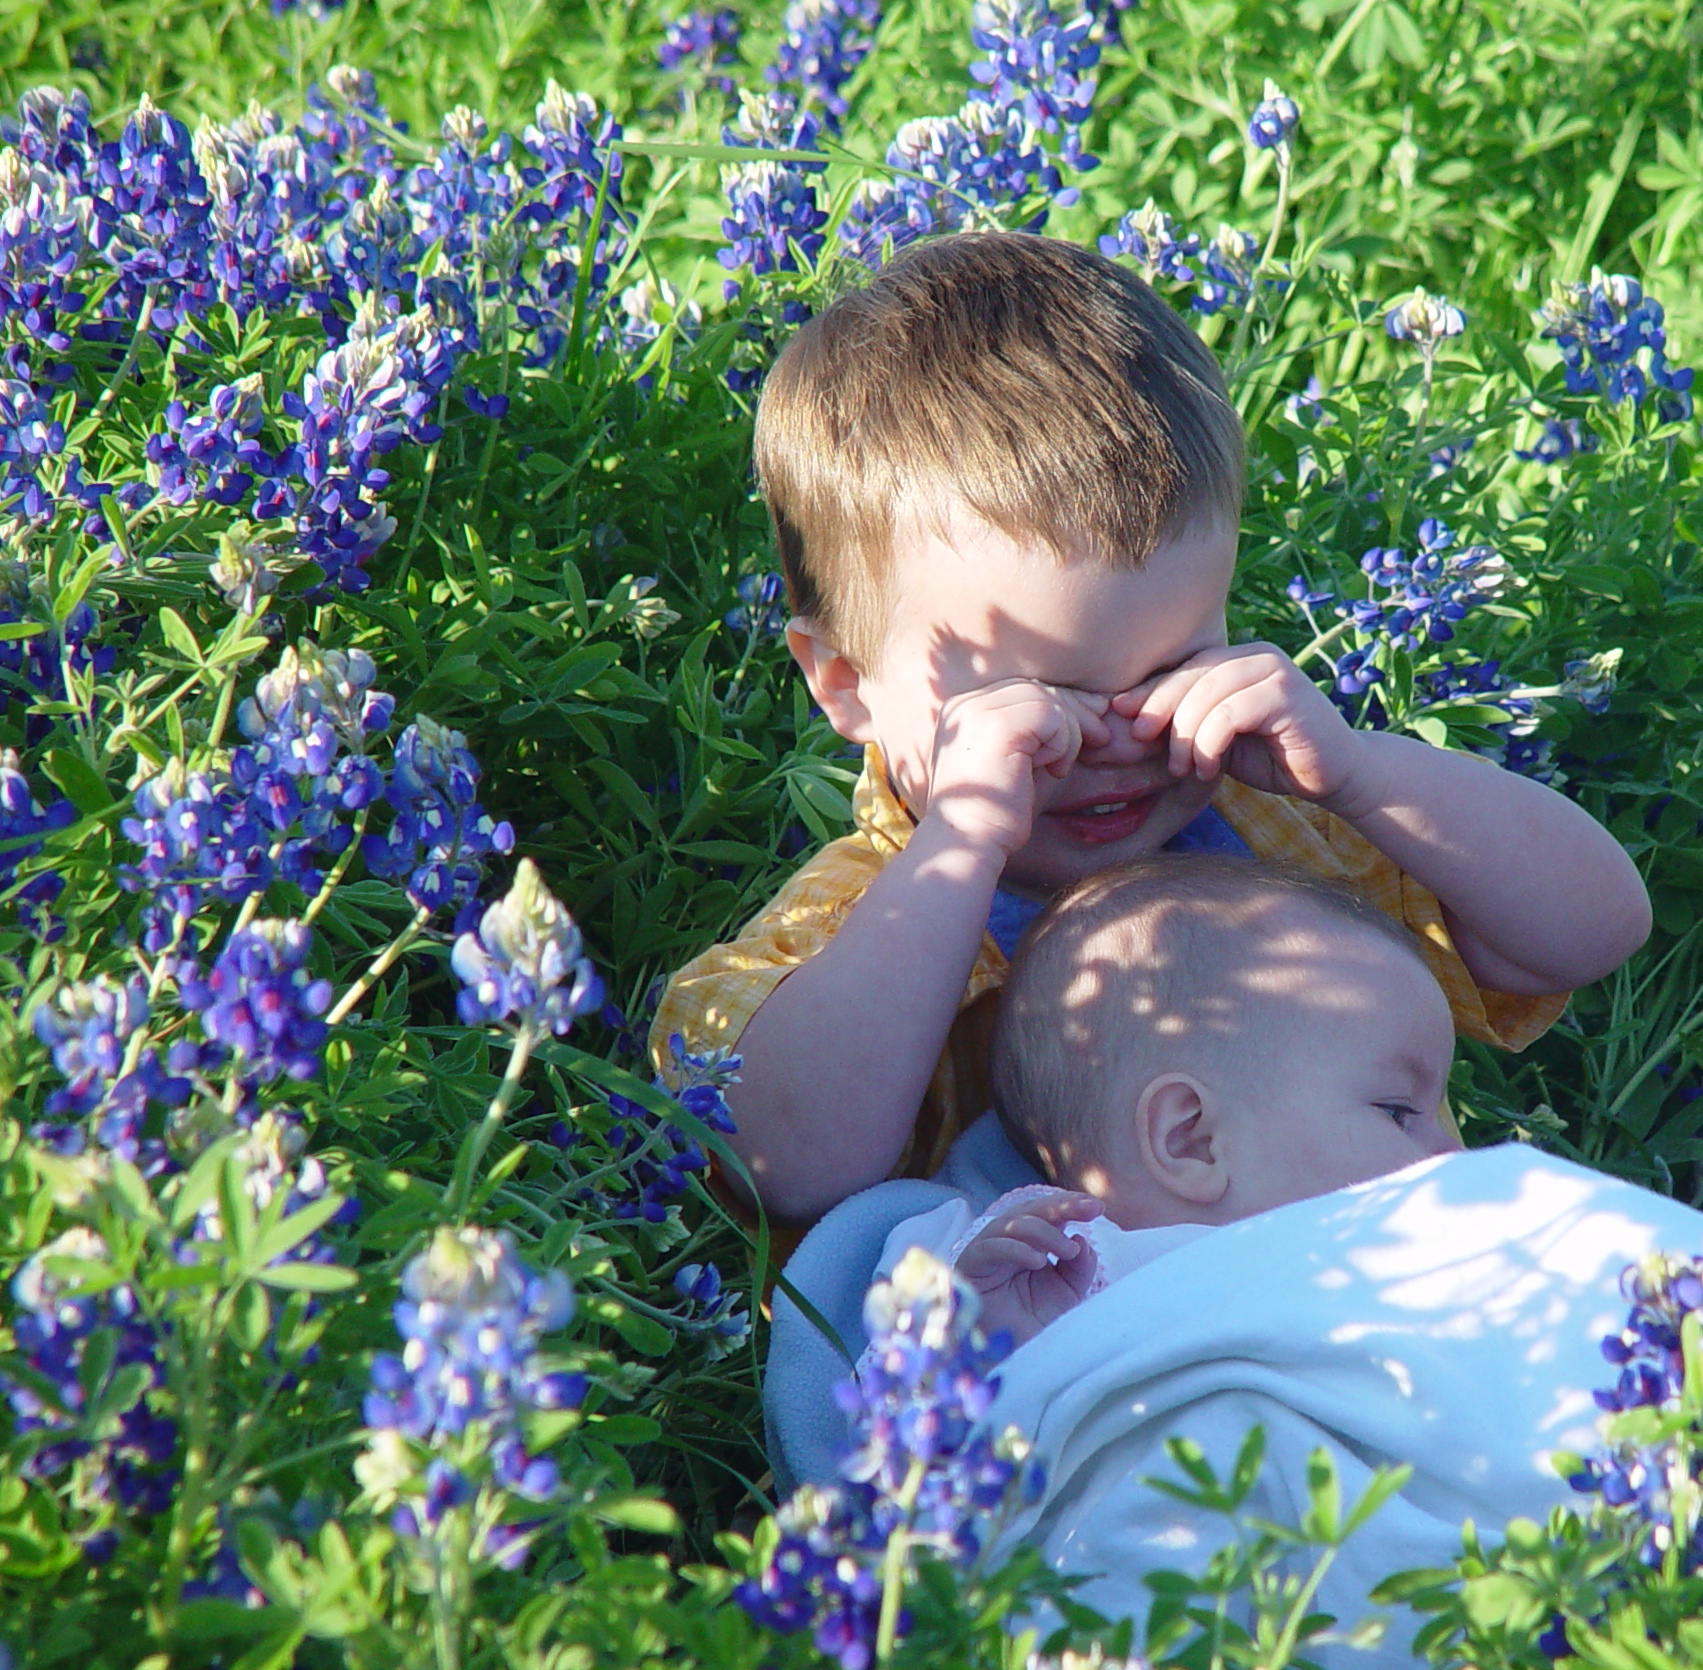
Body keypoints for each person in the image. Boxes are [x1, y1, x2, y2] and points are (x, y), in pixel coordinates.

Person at [650, 228, 1650, 1225]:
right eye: (1033, 696)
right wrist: (957, 845)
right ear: (843, 684)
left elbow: (1588, 933)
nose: (1115, 736)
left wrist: (1358, 770)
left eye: (1170, 666)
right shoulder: (841, 926)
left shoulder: (1282, 839)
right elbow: (787, 1159)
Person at [873, 856, 1464, 1348]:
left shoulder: (1429, 1265)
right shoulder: (1060, 1272)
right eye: (1397, 1111)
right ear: (1192, 1140)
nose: (1454, 1154)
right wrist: (976, 1331)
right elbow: (905, 1431)